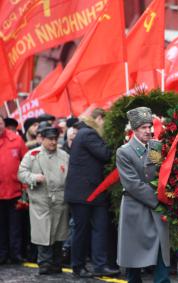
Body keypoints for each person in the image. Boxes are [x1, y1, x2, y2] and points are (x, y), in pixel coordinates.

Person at [116, 107, 170, 283]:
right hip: (135, 207)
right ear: (134, 130)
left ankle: (162, 280)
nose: (148, 131)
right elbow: (132, 184)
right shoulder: (124, 151)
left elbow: (159, 172)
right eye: (143, 128)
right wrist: (159, 200)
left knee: (162, 246)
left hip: (156, 206)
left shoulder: (155, 146)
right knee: (133, 251)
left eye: (149, 127)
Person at [65, 109, 117, 278]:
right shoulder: (88, 134)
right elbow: (105, 154)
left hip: (93, 192)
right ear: (99, 118)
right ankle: (78, 265)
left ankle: (100, 265)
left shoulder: (83, 133)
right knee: (82, 230)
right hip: (84, 193)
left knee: (99, 228)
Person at [18, 127, 69, 275]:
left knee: (59, 234)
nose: (53, 142)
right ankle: (45, 263)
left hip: (60, 200)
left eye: (55, 139)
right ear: (42, 139)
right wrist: (34, 178)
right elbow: (21, 173)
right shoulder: (32, 155)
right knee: (44, 234)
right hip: (41, 201)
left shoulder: (64, 155)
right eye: (50, 139)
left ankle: (56, 263)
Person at [0, 115, 28, 264]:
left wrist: (25, 186)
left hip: (15, 191)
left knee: (16, 226)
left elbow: (26, 161)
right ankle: (2, 254)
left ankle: (15, 254)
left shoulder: (16, 139)